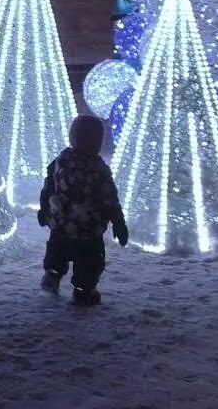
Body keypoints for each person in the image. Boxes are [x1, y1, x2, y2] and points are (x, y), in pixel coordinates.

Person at [37, 114, 128, 306]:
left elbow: (48, 187)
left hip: (62, 225)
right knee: (90, 262)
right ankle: (83, 291)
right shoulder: (98, 169)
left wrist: (44, 208)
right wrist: (118, 222)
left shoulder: (61, 161)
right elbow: (110, 198)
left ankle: (52, 274)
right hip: (90, 229)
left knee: (57, 250)